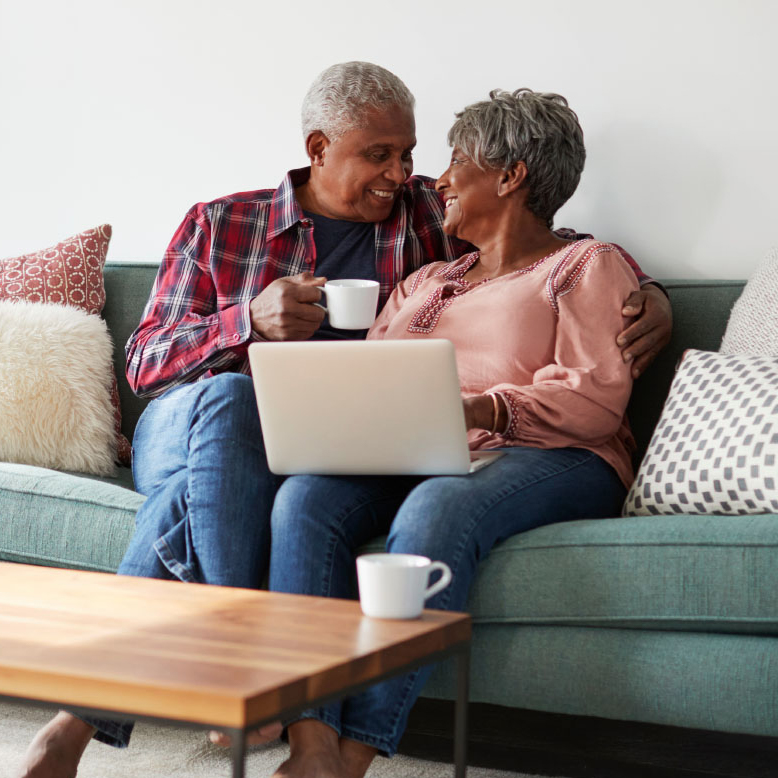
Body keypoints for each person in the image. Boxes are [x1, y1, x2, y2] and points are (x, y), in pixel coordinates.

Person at [17, 64, 669, 778]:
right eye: (380, 155)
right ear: (320, 147)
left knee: (236, 499)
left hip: (344, 440)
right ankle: (253, 665)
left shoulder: (431, 220)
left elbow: (553, 246)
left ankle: (191, 725)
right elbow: (144, 365)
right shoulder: (222, 222)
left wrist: (650, 294)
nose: (408, 174)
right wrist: (248, 323)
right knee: (233, 404)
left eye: (415, 155)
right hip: (196, 415)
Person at [264, 86, 641, 778]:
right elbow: (376, 382)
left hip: (553, 453)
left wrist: (477, 410)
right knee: (306, 498)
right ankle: (309, 739)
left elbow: (596, 399)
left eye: (457, 161)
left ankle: (354, 755)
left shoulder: (586, 267)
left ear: (510, 174)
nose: (437, 180)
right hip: (418, 447)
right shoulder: (425, 281)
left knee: (440, 504)